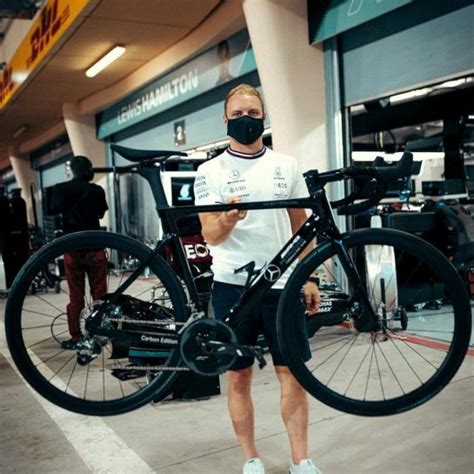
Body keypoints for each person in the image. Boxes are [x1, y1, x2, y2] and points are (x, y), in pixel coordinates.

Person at [194, 84, 321, 474]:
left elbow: (302, 225)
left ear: (263, 117)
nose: (246, 120)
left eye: (253, 113)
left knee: (293, 373)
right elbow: (209, 234)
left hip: (283, 284)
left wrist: (309, 275)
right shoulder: (209, 171)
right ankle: (251, 458)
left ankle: (301, 459)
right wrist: (227, 220)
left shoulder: (287, 165)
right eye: (239, 114)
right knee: (238, 376)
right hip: (233, 285)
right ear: (225, 118)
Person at [51, 156, 108, 350]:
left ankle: (76, 337)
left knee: (75, 297)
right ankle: (100, 334)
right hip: (94, 247)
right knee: (100, 295)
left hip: (72, 248)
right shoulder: (97, 190)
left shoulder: (60, 189)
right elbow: (100, 214)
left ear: (72, 170)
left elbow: (54, 211)